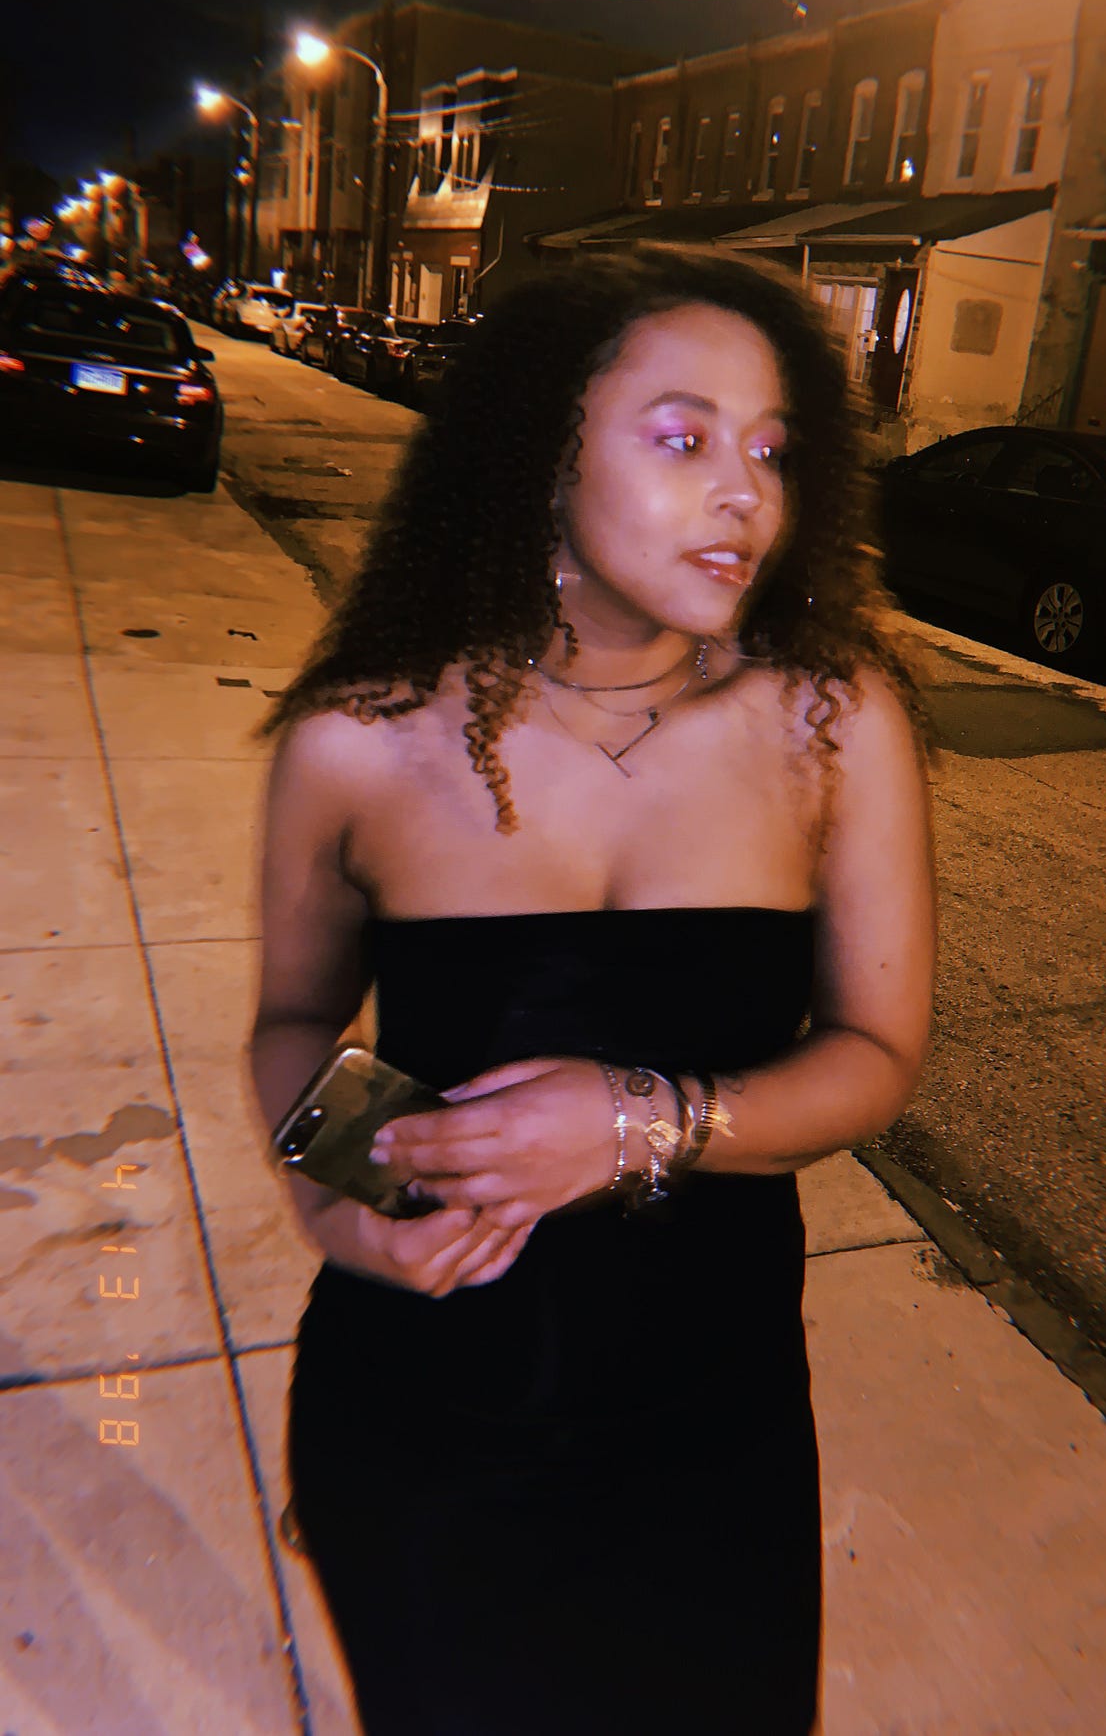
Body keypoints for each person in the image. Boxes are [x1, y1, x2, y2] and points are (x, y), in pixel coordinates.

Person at [249, 246, 936, 1735]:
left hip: (712, 1420)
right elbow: (296, 1022)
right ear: (542, 452)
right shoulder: (361, 739)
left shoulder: (831, 723)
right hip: (424, 1405)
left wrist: (638, 1119)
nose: (745, 492)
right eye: (684, 438)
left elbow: (877, 1050)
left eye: (773, 450)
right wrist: (341, 1206)